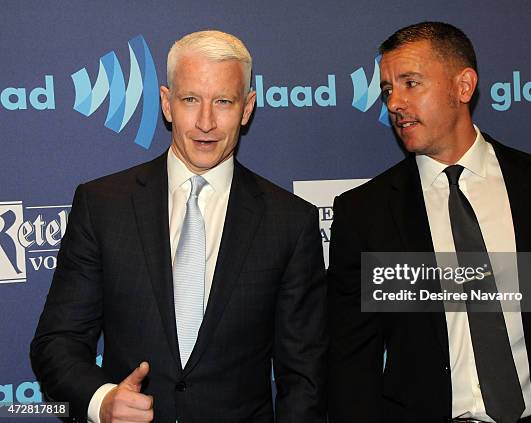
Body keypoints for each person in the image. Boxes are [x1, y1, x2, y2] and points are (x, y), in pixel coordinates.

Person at [31, 30, 327, 423]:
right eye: (191, 100)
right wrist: (101, 401)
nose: (206, 122)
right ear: (168, 104)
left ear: (247, 107)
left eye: (223, 101)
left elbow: (305, 374)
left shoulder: (289, 221)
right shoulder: (103, 205)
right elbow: (58, 341)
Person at [327, 22, 531, 422]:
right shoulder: (367, 214)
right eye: (388, 89)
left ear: (463, 86)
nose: (394, 103)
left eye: (411, 83)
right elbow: (352, 362)